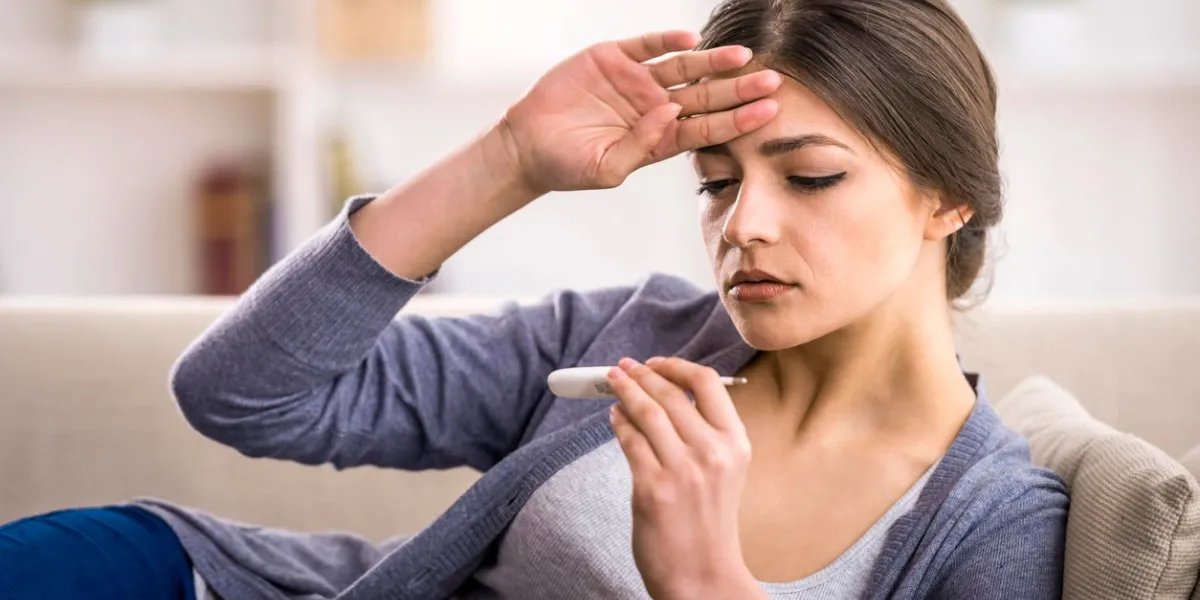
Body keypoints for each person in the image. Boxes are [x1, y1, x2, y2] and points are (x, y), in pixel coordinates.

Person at [0, 0, 1068, 598]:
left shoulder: (994, 524)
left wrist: (702, 582)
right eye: (716, 183)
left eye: (812, 176)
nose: (743, 226)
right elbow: (241, 393)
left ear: (948, 198)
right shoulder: (627, 341)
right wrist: (512, 158)